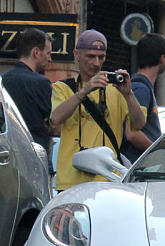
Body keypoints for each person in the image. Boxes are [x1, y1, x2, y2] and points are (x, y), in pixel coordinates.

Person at [49, 29, 146, 191]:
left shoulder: (116, 90)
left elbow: (140, 123)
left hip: (108, 179)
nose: (96, 63)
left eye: (101, 57)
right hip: (71, 181)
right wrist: (84, 91)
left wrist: (128, 94)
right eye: (90, 56)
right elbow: (55, 120)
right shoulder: (63, 88)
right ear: (77, 55)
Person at [2, 28, 53, 171]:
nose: (50, 58)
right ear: (36, 52)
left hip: (8, 157)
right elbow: (55, 120)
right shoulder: (41, 83)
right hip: (35, 157)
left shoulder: (3, 80)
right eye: (48, 53)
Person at [122, 32, 165, 163]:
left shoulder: (139, 87)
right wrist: (158, 153)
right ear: (162, 58)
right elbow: (132, 133)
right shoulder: (141, 89)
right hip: (135, 166)